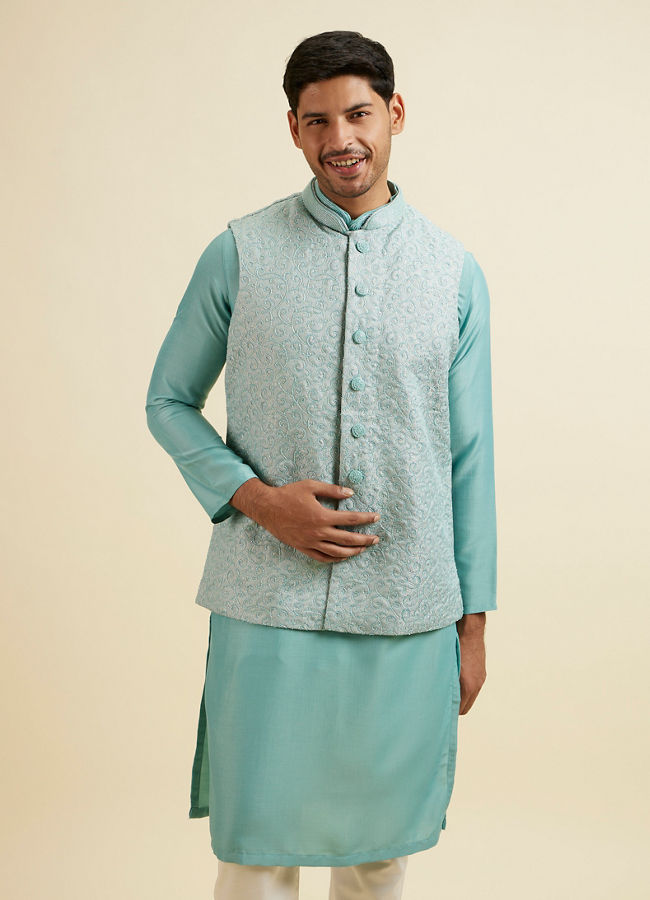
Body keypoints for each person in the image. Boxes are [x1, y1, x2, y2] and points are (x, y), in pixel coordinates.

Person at [146, 29, 497, 900]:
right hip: (266, 605)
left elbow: (470, 459)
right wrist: (260, 502)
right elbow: (168, 400)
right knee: (258, 850)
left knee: (379, 855)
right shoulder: (240, 251)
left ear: (395, 114)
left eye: (358, 114)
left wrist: (473, 627)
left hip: (410, 610)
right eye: (318, 120)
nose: (341, 137)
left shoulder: (454, 274)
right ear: (294, 130)